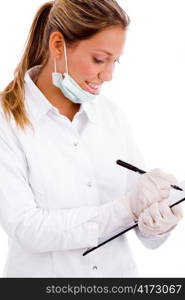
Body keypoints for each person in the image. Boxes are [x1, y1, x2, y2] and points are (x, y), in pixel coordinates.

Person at [0, 0, 183, 278]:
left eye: (114, 61)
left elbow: (141, 225)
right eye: (99, 59)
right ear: (58, 45)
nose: (108, 75)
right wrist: (127, 208)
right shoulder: (7, 121)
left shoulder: (111, 116)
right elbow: (27, 229)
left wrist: (157, 222)